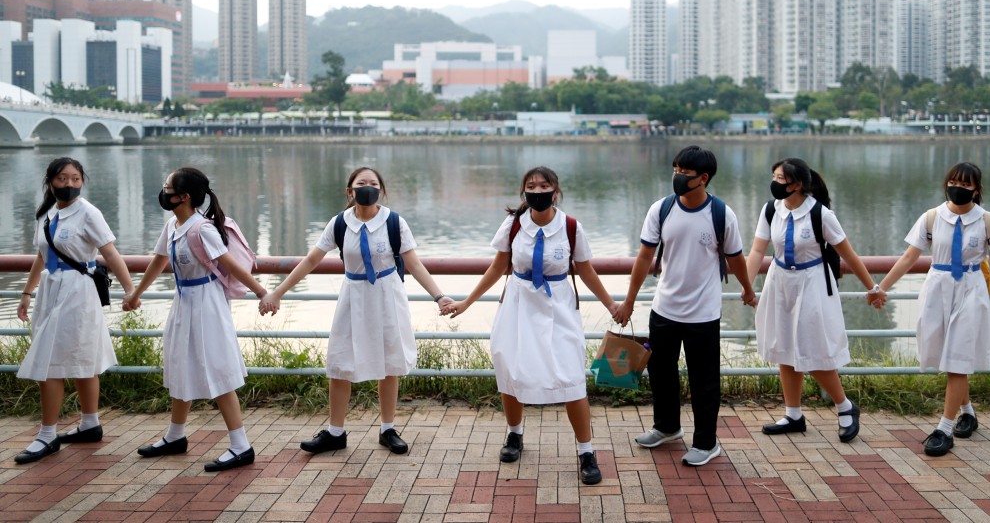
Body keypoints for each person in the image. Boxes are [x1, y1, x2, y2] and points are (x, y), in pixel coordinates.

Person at [442, 166, 619, 485]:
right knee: (511, 369)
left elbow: (586, 270)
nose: (538, 191)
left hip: (559, 307)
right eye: (531, 186)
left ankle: (586, 451)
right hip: (519, 305)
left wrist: (612, 305)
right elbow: (498, 267)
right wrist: (466, 302)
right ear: (524, 192)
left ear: (556, 190)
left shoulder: (570, 227)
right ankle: (514, 434)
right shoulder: (513, 225)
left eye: (544, 185)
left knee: (571, 376)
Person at [262, 167, 452, 456]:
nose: (368, 187)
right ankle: (335, 432)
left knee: (389, 364)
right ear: (349, 191)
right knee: (339, 362)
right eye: (361, 183)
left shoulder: (394, 222)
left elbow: (414, 263)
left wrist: (439, 296)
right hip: (353, 296)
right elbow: (311, 259)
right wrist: (277, 292)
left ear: (381, 190)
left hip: (387, 296)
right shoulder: (339, 223)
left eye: (373, 183)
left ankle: (388, 428)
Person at [614, 145, 755, 466]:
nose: (677, 176)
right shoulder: (661, 209)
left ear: (703, 178)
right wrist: (629, 301)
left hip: (703, 314)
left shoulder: (722, 214)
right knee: (660, 372)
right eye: (675, 169)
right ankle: (667, 427)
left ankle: (706, 443)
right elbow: (645, 257)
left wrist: (748, 290)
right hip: (664, 308)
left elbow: (736, 260)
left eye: (684, 172)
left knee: (704, 380)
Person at [124, 167, 267, 472]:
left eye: (168, 188)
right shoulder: (172, 226)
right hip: (183, 301)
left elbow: (229, 263)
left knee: (217, 369)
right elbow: (158, 262)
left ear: (184, 197)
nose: (163, 192)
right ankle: (175, 436)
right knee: (180, 364)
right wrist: (136, 293)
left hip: (207, 304)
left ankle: (241, 446)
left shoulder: (201, 229)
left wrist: (261, 292)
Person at [876, 162, 990, 457]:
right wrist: (881, 287)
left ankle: (944, 428)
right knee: (947, 354)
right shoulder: (931, 217)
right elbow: (908, 257)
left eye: (966, 185)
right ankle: (967, 411)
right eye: (954, 182)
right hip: (937, 288)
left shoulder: (988, 221)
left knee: (956, 359)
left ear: (977, 190)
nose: (959, 188)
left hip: (970, 289)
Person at [744, 158, 881, 442]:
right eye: (774, 176)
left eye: (780, 178)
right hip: (779, 283)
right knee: (783, 348)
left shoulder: (821, 214)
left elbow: (849, 254)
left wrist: (872, 287)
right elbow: (758, 250)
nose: (775, 182)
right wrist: (747, 285)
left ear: (797, 184)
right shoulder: (771, 210)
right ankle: (793, 413)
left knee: (813, 349)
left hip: (813, 283)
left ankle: (845, 406)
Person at [14, 157, 135, 465]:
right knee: (79, 359)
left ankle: (47, 434)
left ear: (82, 181)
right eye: (62, 179)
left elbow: (110, 252)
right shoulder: (47, 214)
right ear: (50, 181)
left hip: (78, 292)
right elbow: (40, 257)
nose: (69, 184)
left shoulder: (89, 213)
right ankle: (90, 424)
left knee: (55, 362)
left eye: (75, 178)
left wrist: (131, 290)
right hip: (51, 291)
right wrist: (27, 293)